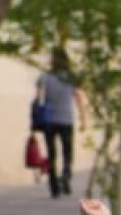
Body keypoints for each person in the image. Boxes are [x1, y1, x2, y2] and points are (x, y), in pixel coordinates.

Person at [36, 63, 90, 197]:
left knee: (51, 153)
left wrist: (37, 117)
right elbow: (79, 98)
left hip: (49, 120)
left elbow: (38, 98)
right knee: (67, 152)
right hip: (66, 120)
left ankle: (53, 184)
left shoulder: (45, 76)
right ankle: (66, 176)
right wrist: (83, 119)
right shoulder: (71, 77)